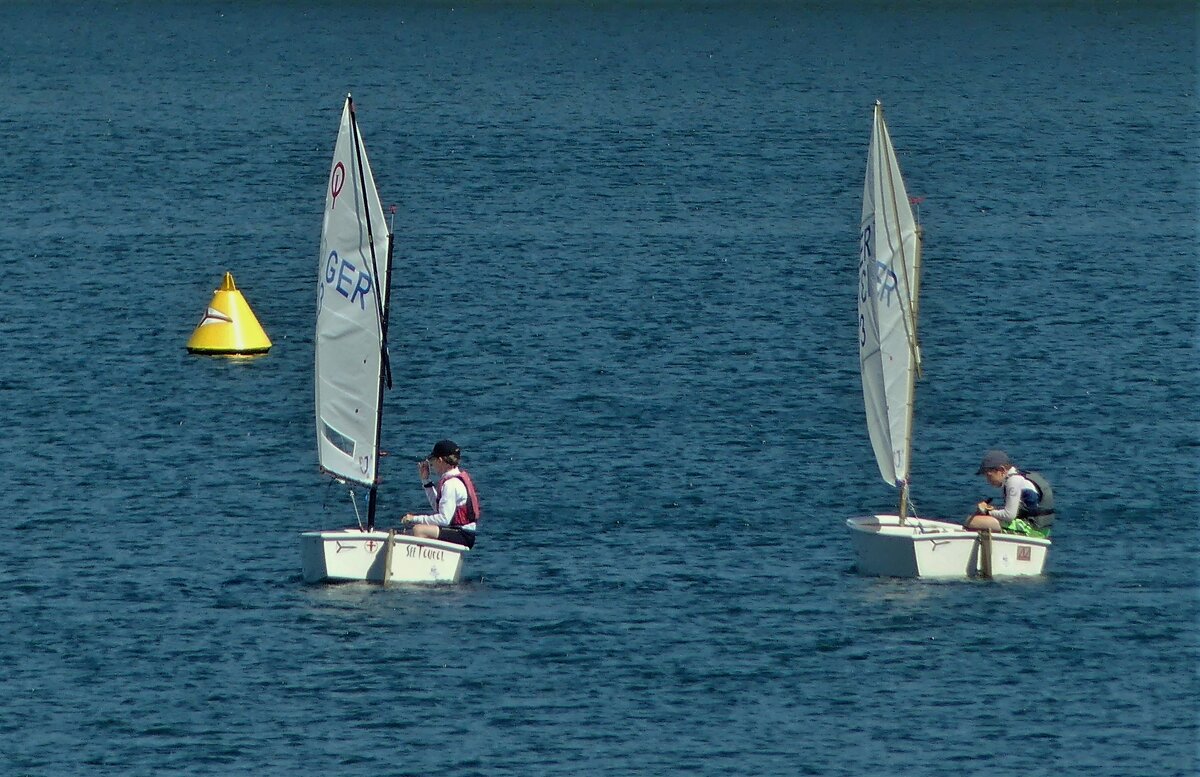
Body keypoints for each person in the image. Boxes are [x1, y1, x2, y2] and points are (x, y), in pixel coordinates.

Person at [401, 439, 481, 548]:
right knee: (412, 532)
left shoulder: (451, 484)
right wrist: (426, 481)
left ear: (440, 460)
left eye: (432, 461)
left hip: (463, 534)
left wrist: (414, 519)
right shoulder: (451, 480)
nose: (432, 466)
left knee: (419, 530)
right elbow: (438, 507)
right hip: (459, 531)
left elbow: (444, 519)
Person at [963, 449, 1045, 534]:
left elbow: (1009, 515)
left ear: (1002, 470)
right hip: (1035, 527)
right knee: (982, 521)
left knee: (971, 521)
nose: (987, 480)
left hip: (1030, 529)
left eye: (989, 475)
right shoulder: (1017, 478)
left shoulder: (1013, 481)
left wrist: (987, 512)